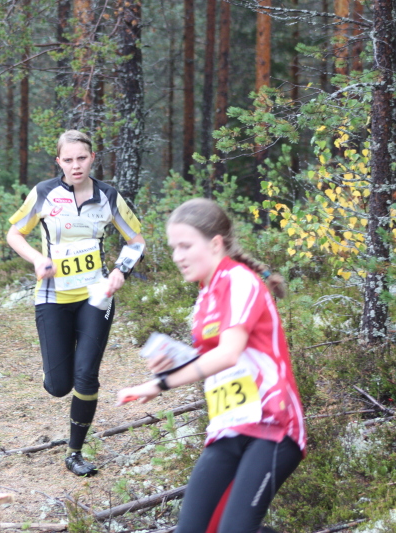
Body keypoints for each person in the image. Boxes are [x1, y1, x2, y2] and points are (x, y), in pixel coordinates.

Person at [116, 198, 305, 533]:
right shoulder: (207, 292)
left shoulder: (239, 280)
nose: (177, 257)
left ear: (215, 244)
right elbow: (226, 361)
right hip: (228, 425)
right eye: (174, 248)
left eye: (186, 246)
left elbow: (229, 354)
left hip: (272, 424)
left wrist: (161, 383)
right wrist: (174, 363)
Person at [6, 130, 146, 477]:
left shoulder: (108, 196)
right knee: (59, 386)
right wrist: (38, 259)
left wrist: (121, 270)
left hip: (96, 296)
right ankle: (55, 370)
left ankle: (75, 452)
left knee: (87, 376)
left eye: (81, 158)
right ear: (59, 162)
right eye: (68, 160)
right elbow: (14, 233)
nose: (75, 165)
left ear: (92, 158)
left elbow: (136, 240)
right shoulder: (44, 193)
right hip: (52, 296)